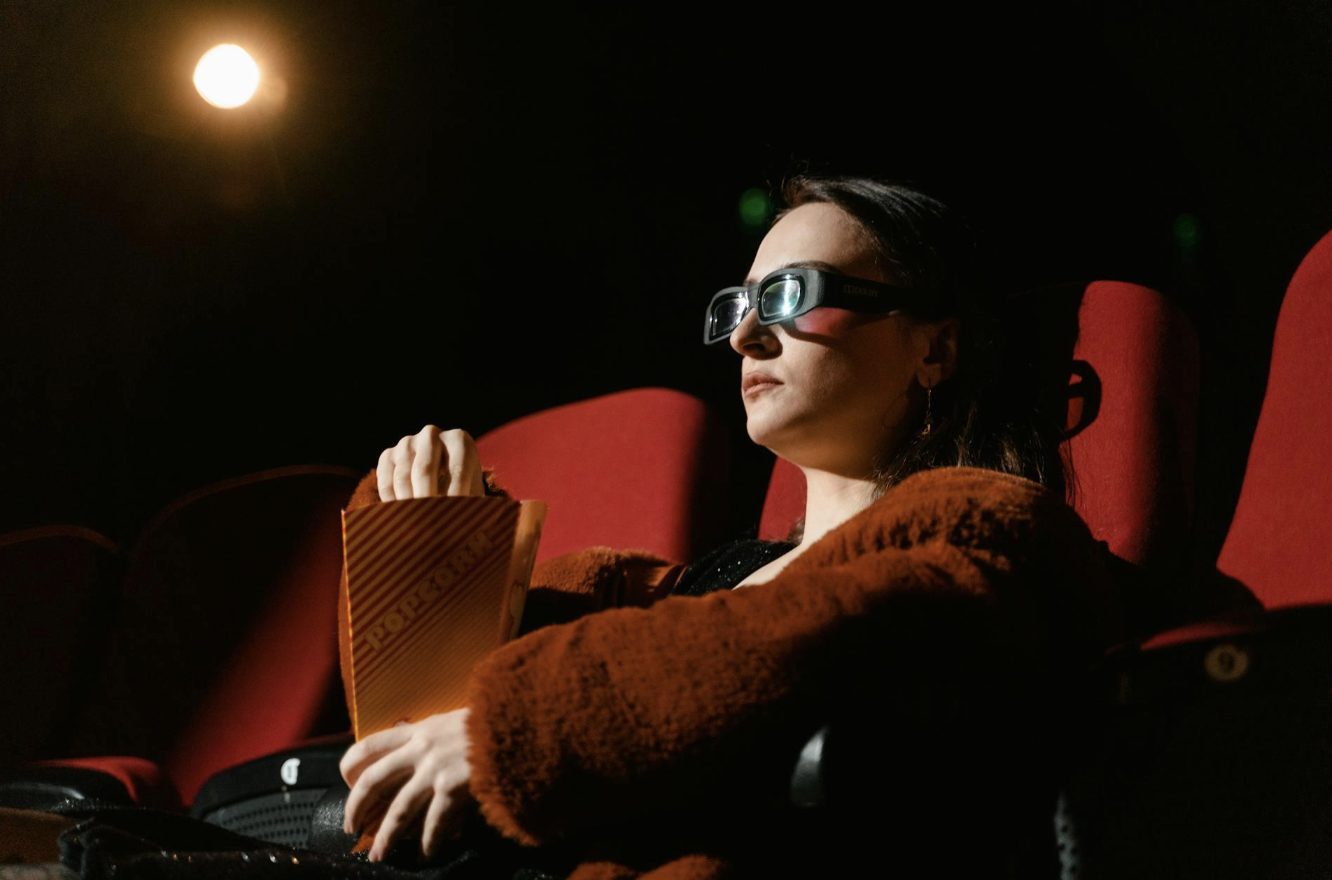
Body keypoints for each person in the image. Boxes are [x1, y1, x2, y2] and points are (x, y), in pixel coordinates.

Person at [333, 175, 1125, 879]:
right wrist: (425, 525)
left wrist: (513, 734)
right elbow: (417, 706)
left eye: (791, 294)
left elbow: (838, 628)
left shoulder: (986, 528)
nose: (747, 336)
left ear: (935, 347)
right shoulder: (692, 587)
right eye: (742, 305)